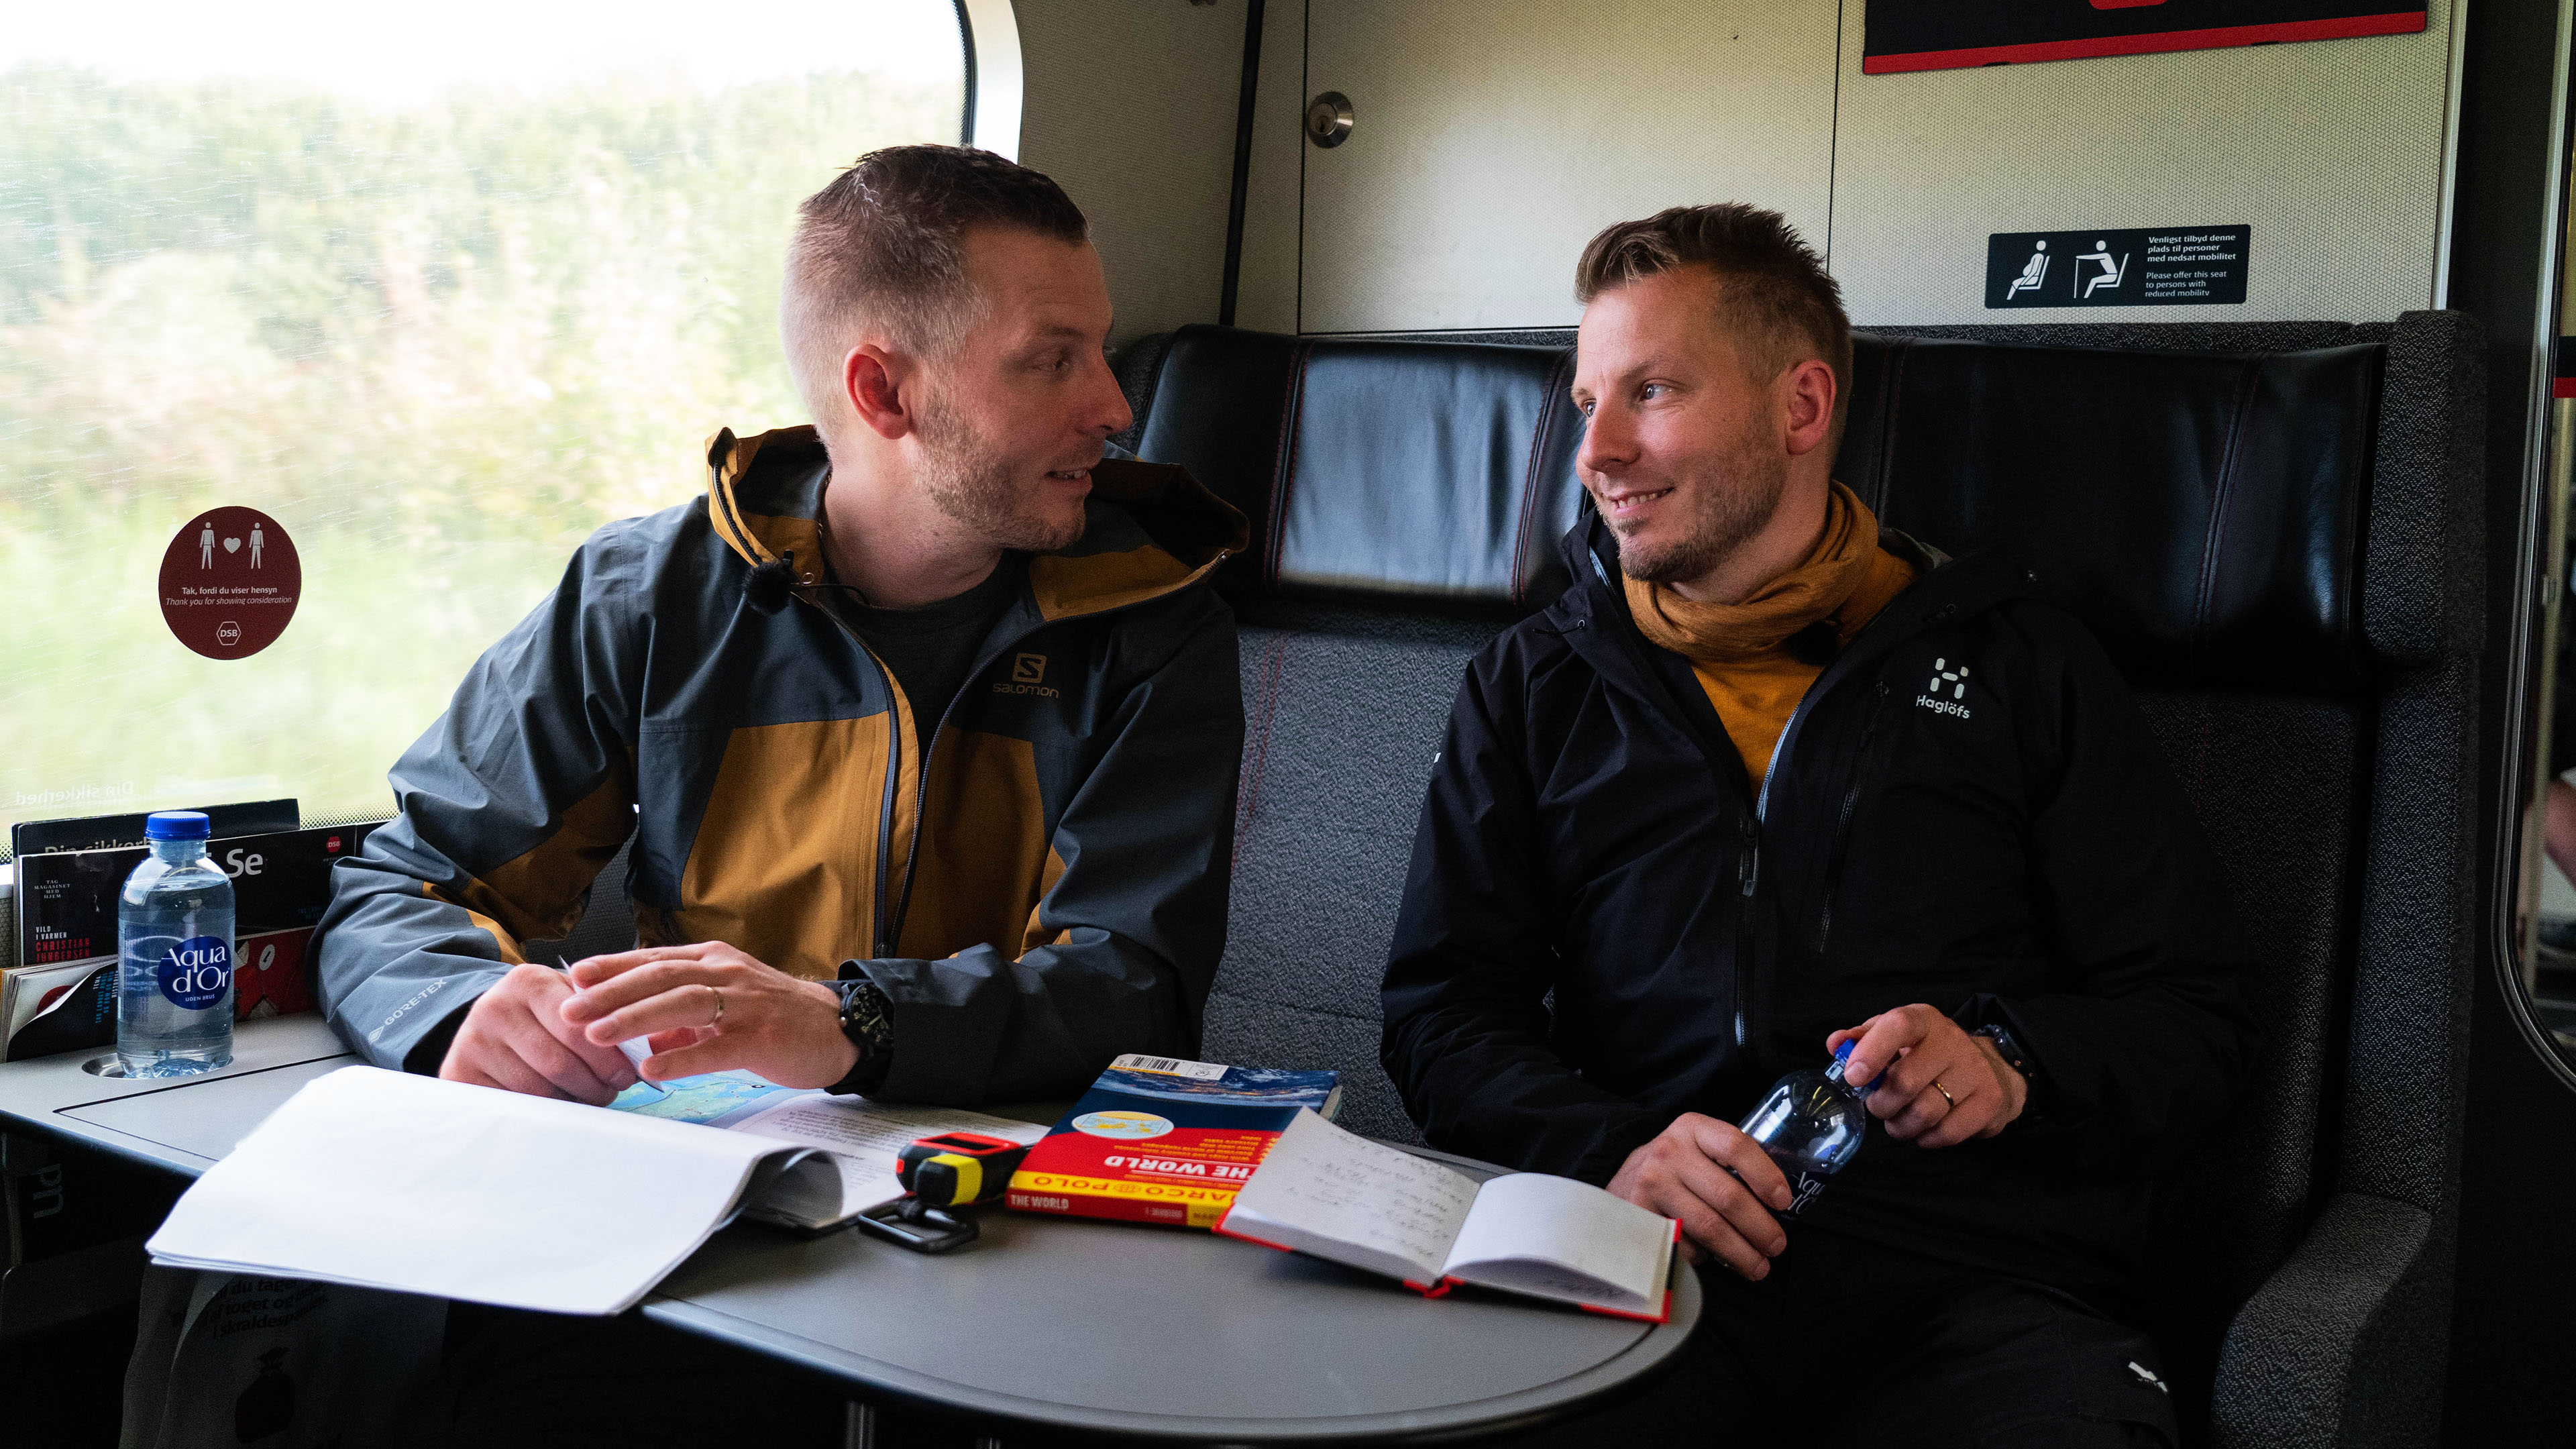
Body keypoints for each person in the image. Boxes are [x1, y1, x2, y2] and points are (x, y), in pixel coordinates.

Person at [1381, 203, 2257, 1447]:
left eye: (1653, 392)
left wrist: (2012, 1062)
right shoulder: (1532, 686)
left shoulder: (2020, 664)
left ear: (1801, 407)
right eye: (1587, 403)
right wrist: (1614, 1149)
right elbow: (1441, 1016)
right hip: (1648, 1264)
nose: (1598, 452)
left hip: (1977, 1288)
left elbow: (2199, 1016)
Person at [317, 143, 1245, 1114]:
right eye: (1054, 361)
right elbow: (405, 884)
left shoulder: (1152, 620)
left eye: (1100, 352)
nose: (1115, 408)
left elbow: (1133, 986)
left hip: (996, 1171)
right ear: (883, 393)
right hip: (699, 1151)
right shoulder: (647, 596)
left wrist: (854, 1024)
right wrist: (464, 1010)